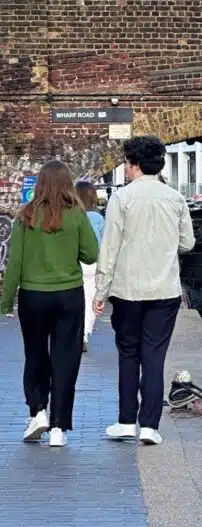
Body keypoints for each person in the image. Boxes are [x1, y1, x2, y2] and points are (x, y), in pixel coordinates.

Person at [94, 136, 195, 446]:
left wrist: (100, 291)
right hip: (164, 290)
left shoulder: (121, 199)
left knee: (128, 354)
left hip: (128, 290)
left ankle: (126, 421)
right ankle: (150, 426)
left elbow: (110, 248)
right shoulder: (175, 199)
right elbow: (188, 243)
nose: (125, 168)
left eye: (126, 163)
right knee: (154, 356)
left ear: (135, 164)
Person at [0, 160, 99, 447]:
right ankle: (59, 427)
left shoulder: (26, 215)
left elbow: (14, 263)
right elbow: (91, 254)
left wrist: (6, 301)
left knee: (35, 354)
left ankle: (38, 411)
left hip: (33, 296)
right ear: (68, 184)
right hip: (69, 295)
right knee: (65, 359)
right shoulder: (77, 214)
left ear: (40, 184)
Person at [75, 180, 105, 354]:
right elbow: (105, 242)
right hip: (93, 263)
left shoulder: (71, 216)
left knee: (75, 299)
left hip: (75, 261)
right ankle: (84, 335)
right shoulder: (98, 218)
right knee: (90, 299)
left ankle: (73, 332)